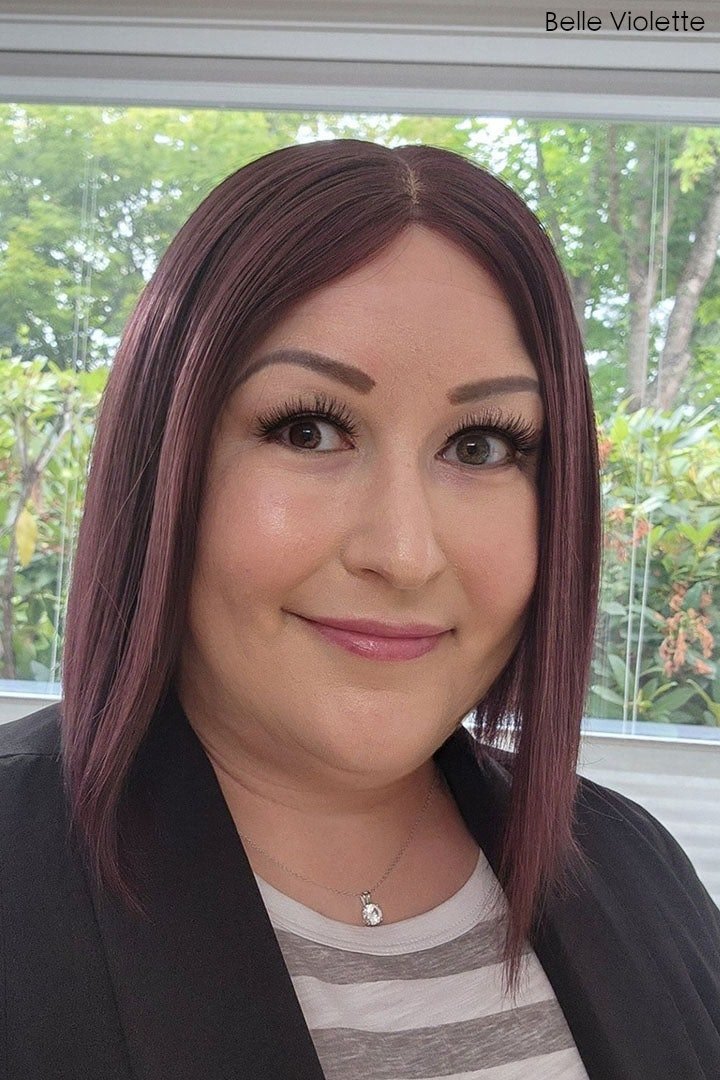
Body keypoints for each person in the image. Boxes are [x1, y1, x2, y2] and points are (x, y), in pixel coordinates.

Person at [0, 138, 718, 1080]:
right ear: (164, 464)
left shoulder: (635, 868)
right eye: (308, 430)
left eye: (481, 446)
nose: (404, 553)